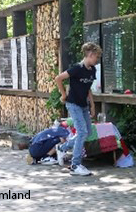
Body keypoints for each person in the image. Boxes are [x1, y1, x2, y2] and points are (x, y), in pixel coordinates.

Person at [54, 42, 102, 176]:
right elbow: (58, 78)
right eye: (96, 57)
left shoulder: (92, 70)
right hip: (73, 104)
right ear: (90, 55)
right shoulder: (76, 68)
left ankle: (62, 148)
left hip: (84, 105)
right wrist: (64, 95)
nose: (97, 60)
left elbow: (88, 89)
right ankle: (75, 165)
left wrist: (92, 106)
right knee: (81, 132)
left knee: (87, 133)